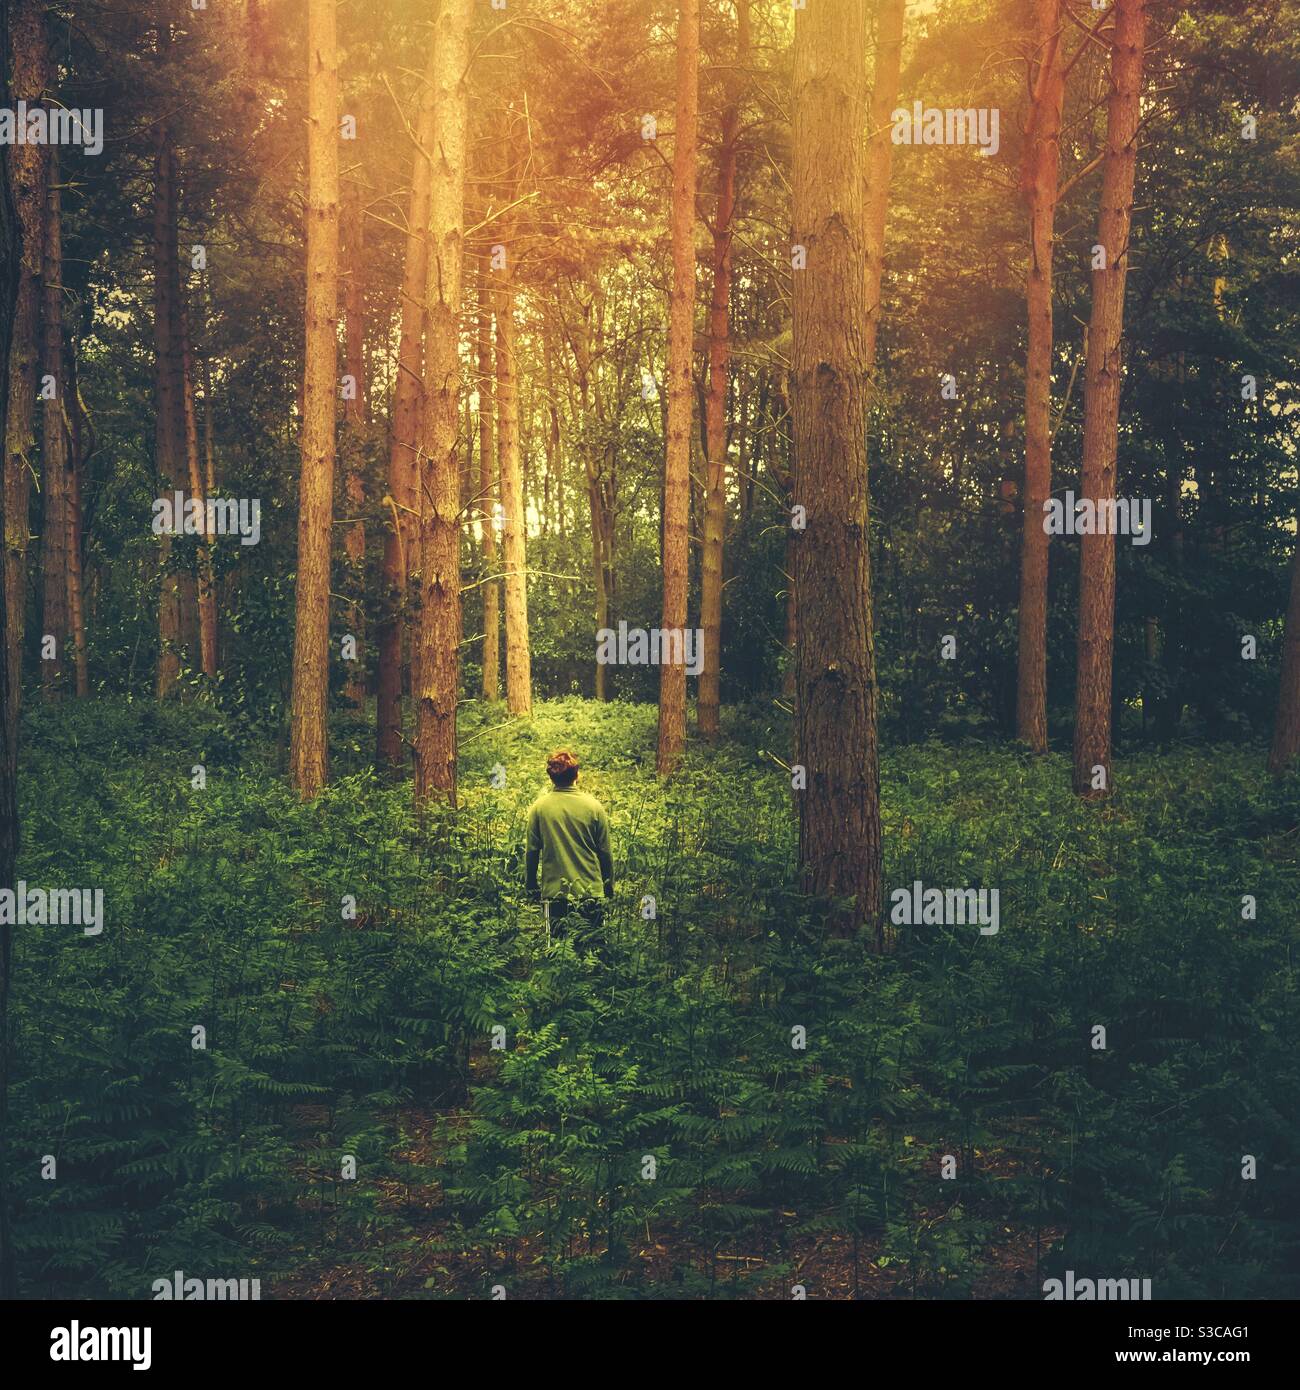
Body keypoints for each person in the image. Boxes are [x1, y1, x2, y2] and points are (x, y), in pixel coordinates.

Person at [525, 750, 614, 943]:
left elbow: (532, 851)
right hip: (591, 892)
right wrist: (608, 887)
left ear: (552, 777)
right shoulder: (594, 807)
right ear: (577, 775)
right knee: (596, 953)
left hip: (556, 894)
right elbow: (605, 853)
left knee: (558, 952)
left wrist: (531, 885)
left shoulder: (539, 808)